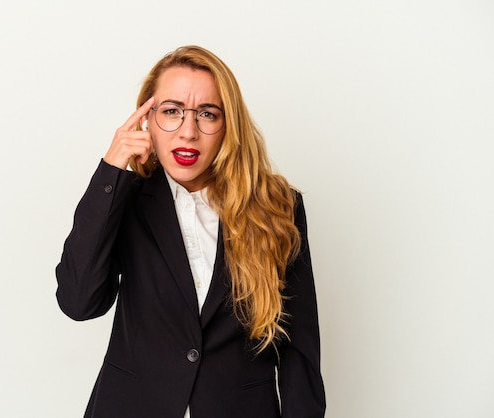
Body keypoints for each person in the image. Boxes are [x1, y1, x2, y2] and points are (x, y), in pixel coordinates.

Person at [55, 45, 325, 418]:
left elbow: (299, 346)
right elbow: (78, 302)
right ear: (147, 120)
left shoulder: (277, 206)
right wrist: (110, 172)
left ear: (228, 125)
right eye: (171, 112)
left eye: (207, 114)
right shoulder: (125, 200)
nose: (188, 132)